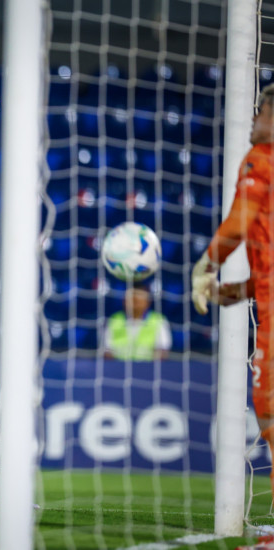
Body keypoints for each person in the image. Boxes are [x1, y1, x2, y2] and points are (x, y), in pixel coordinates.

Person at [191, 82, 274, 493]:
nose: (253, 121)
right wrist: (235, 292)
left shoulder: (262, 158)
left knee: (271, 414)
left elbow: (238, 224)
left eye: (259, 112)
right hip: (265, 296)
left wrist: (207, 265)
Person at [104, 284, 172, 360]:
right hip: (118, 368)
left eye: (138, 298)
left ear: (147, 302)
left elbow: (163, 351)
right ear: (124, 301)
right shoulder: (115, 319)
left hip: (148, 368)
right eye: (131, 298)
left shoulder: (158, 320)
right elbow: (107, 351)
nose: (134, 300)